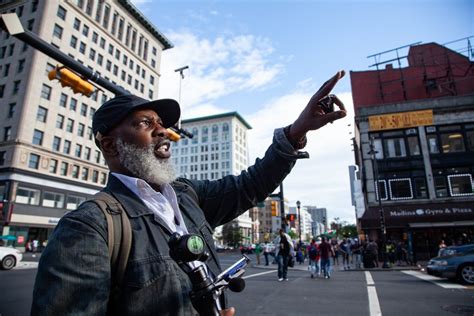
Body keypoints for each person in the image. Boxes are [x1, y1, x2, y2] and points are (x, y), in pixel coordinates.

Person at [31, 71, 347, 315]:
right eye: (145, 123)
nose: (163, 131)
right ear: (111, 144)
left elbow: (247, 186)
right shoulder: (90, 228)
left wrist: (296, 132)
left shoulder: (186, 196)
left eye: (162, 124)